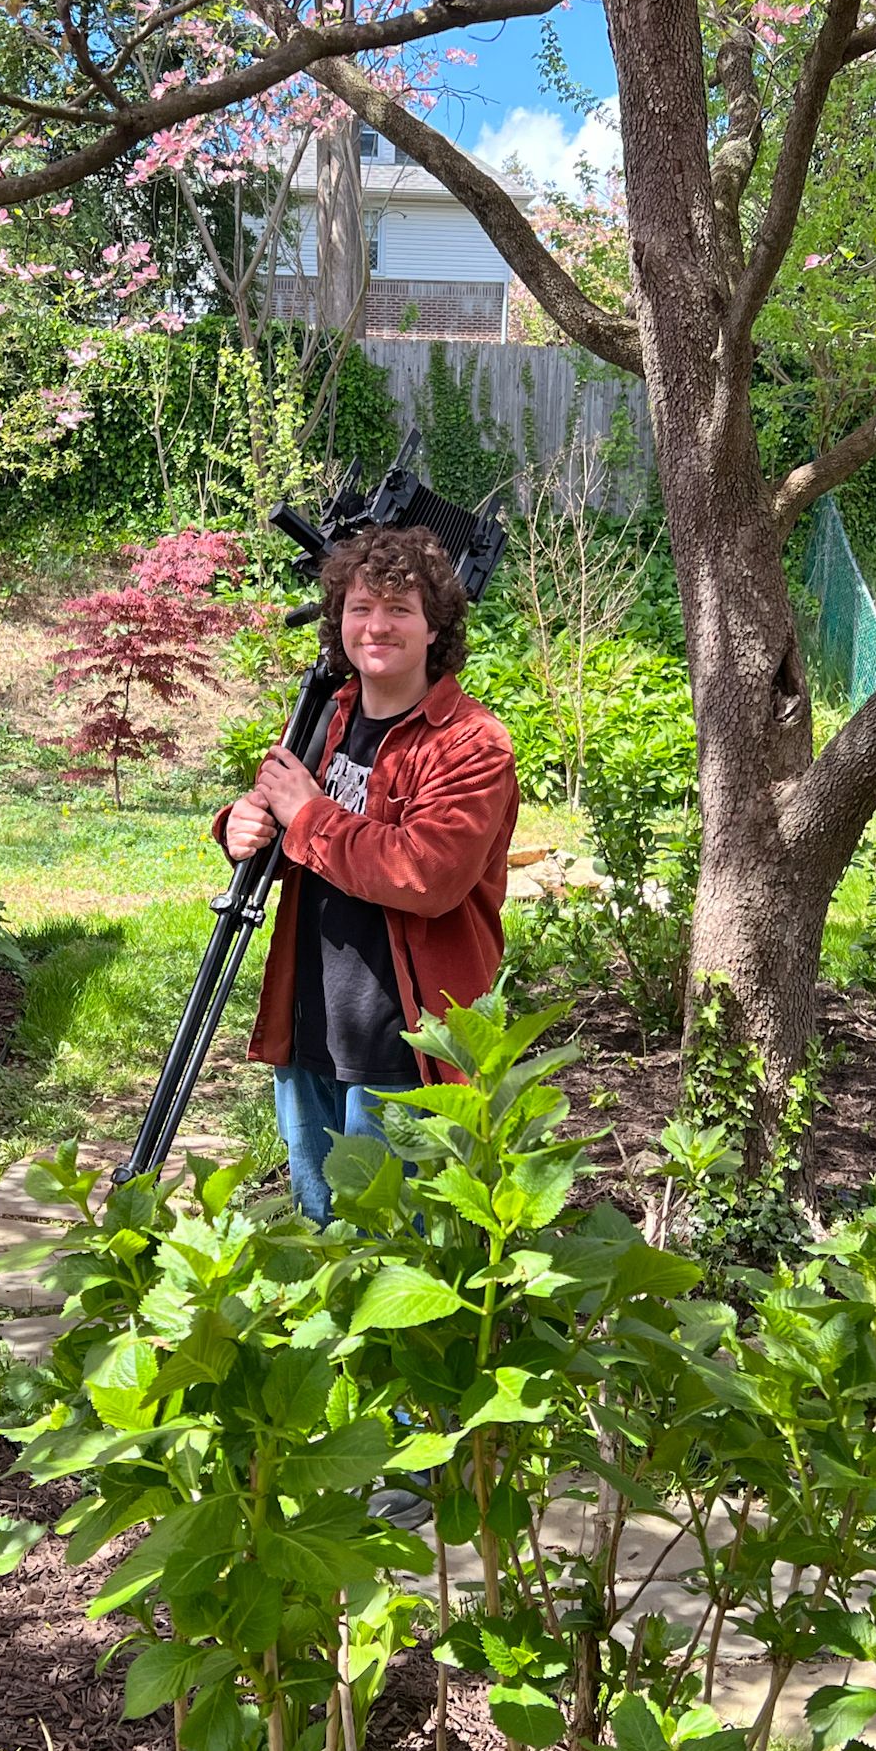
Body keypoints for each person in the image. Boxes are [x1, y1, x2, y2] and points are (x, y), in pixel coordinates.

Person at [215, 522, 518, 1225]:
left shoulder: (471, 744)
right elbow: (280, 818)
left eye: (399, 609)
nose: (376, 626)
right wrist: (239, 827)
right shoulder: (330, 712)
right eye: (360, 608)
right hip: (311, 1023)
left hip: (406, 1043)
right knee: (320, 1229)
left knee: (393, 1245)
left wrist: (306, 815)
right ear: (338, 621)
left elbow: (426, 874)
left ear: (435, 627)